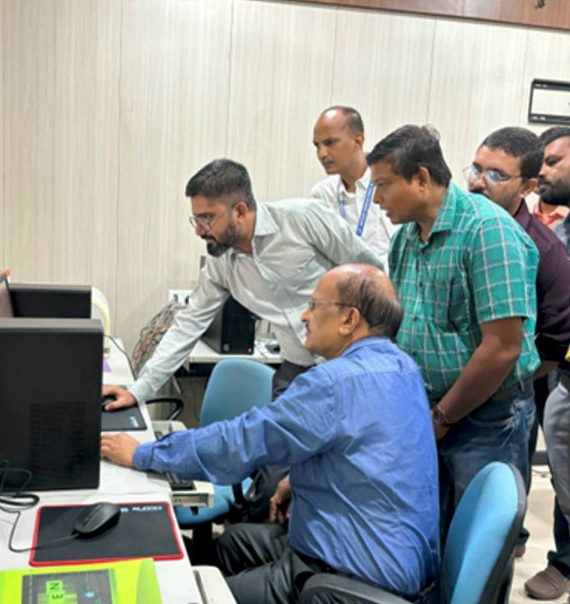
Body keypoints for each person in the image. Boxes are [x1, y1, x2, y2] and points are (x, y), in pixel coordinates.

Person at [102, 265, 440, 604]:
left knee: (195, 597)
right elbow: (374, 454)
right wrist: (297, 480)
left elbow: (241, 441)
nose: (305, 316)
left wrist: (143, 454)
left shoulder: (335, 383)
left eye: (314, 305)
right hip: (393, 556)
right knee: (233, 545)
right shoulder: (403, 368)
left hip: (353, 578)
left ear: (349, 320)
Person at [103, 158, 381, 409]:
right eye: (196, 219)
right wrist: (139, 390)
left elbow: (373, 274)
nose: (199, 230)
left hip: (348, 365)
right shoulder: (221, 262)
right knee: (277, 459)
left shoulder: (303, 219)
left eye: (207, 218)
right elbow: (189, 323)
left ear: (239, 211)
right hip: (297, 370)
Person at [367, 125, 540, 523]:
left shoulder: (487, 230)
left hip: (486, 417)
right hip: (430, 410)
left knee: (477, 541)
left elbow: (502, 348)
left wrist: (443, 417)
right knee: (434, 527)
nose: (376, 199)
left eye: (384, 185)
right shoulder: (406, 237)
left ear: (422, 179)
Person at [464, 126, 570, 571]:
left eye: (494, 174)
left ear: (524, 187)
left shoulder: (543, 249)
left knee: (498, 502)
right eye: (475, 168)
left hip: (516, 387)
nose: (476, 181)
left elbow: (557, 331)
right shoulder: (465, 229)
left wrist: (520, 374)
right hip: (463, 389)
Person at [525, 126, 570, 600]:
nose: (542, 171)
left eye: (554, 161)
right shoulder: (557, 236)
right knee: (563, 474)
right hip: (558, 371)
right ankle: (565, 560)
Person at [310, 106, 396, 264]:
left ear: (358, 141)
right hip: (344, 283)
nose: (322, 154)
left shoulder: (390, 185)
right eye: (317, 145)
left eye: (330, 143)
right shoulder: (322, 194)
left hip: (388, 283)